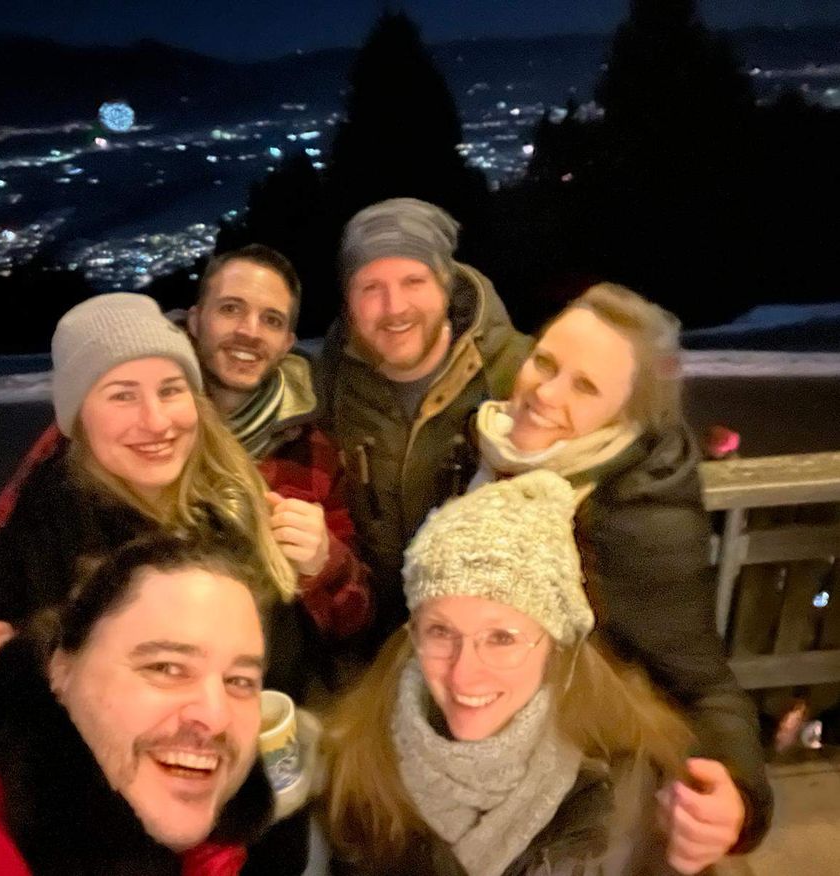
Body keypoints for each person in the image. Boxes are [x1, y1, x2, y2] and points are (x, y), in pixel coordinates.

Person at [470, 282, 772, 865]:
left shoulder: (632, 516)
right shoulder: (497, 451)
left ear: (625, 414)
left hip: (574, 810)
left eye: (585, 387)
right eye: (545, 363)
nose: (545, 393)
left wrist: (736, 795)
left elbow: (701, 682)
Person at [0, 245, 372, 644]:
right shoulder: (80, 454)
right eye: (231, 309)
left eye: (271, 319)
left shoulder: (312, 451)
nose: (249, 331)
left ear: (286, 342)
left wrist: (325, 563)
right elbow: (3, 557)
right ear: (196, 320)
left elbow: (355, 621)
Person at [322, 471, 695, 876]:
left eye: (501, 638)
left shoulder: (630, 785)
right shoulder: (357, 765)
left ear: (556, 645)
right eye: (441, 632)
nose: (463, 675)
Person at [0, 293, 317, 697]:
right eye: (123, 395)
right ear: (79, 420)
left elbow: (294, 670)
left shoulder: (242, 503)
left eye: (170, 390)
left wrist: (320, 567)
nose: (156, 421)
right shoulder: (44, 527)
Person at [0, 531, 315, 875]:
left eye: (239, 681)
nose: (216, 715)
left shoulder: (220, 842)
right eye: (166, 668)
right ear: (61, 668)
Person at [319, 197, 532, 639]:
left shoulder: (522, 377)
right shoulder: (330, 382)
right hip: (373, 643)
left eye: (413, 281)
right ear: (348, 301)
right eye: (370, 287)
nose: (394, 307)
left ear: (446, 286)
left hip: (492, 640)